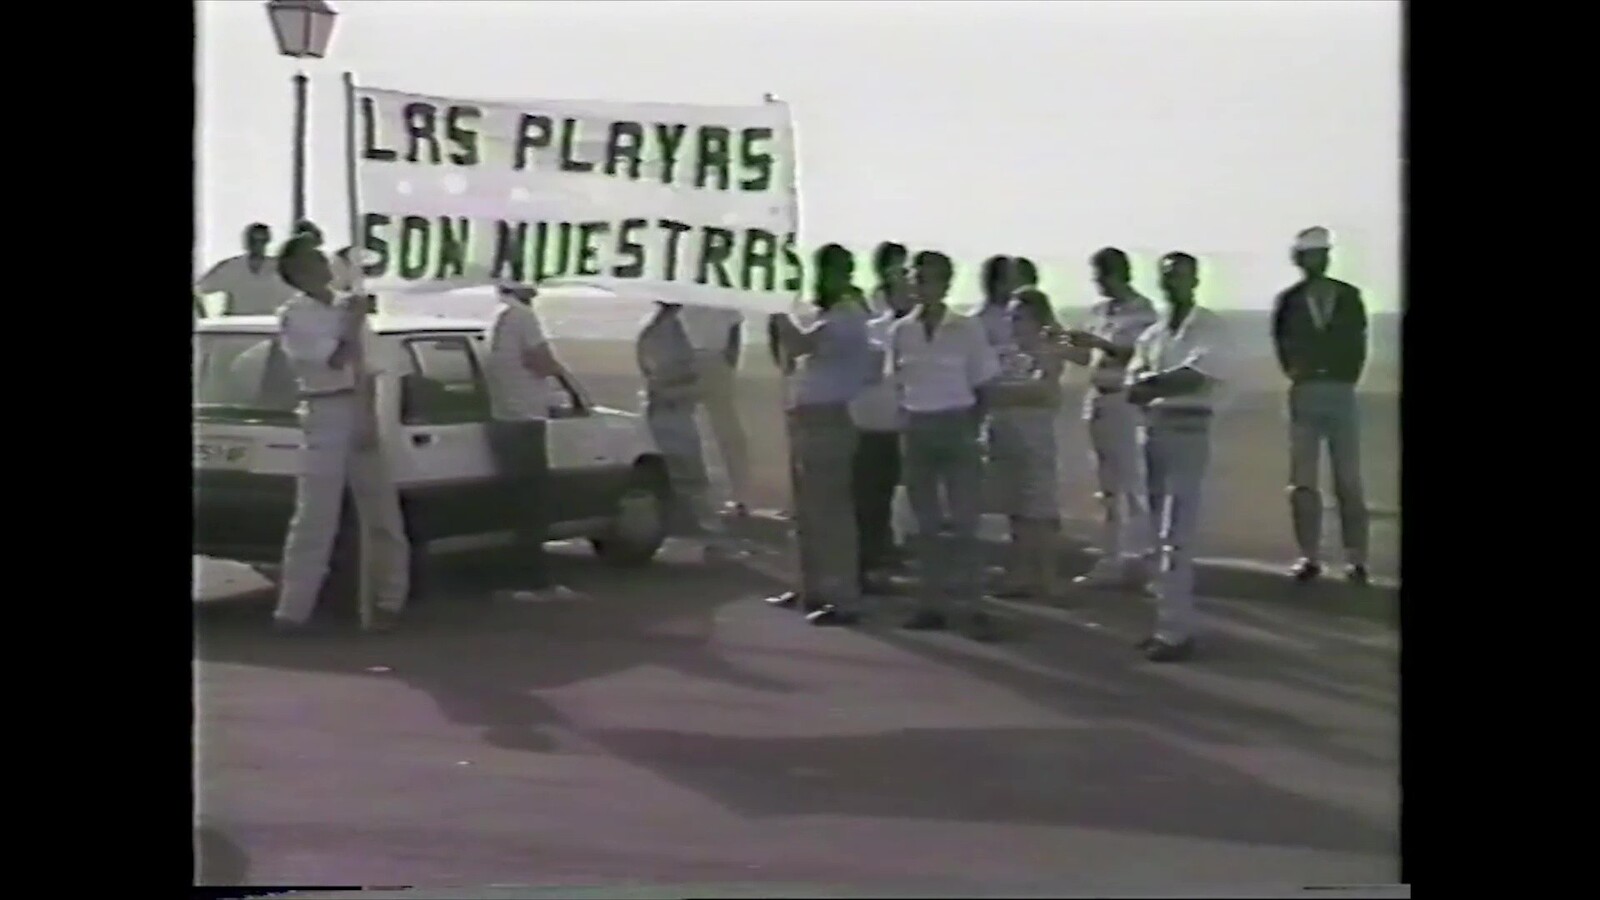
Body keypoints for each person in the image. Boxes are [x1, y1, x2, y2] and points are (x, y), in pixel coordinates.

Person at [272, 234, 409, 633]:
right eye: (313, 260)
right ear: (297, 271)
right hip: (325, 407)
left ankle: (389, 600)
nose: (323, 265)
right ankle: (293, 610)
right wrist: (351, 324)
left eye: (322, 257)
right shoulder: (295, 315)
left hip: (364, 404)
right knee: (316, 513)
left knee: (382, 511)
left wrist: (368, 415)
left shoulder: (349, 304)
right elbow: (332, 360)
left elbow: (372, 365)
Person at [890, 250, 1003, 639]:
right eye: (915, 278)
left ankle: (972, 605)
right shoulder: (901, 331)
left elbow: (986, 383)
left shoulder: (966, 328)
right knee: (925, 522)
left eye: (928, 278)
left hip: (956, 421)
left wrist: (972, 426)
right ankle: (930, 603)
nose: (920, 286)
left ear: (945, 282)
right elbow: (896, 381)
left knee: (966, 522)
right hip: (917, 425)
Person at [1125, 252, 1231, 662]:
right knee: (1154, 530)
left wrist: (1154, 383)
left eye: (1181, 276)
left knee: (1176, 533)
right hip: (1153, 429)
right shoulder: (1153, 334)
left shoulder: (1209, 327)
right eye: (1168, 276)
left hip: (1189, 429)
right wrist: (1154, 385)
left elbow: (1198, 376)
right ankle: (1166, 623)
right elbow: (1133, 382)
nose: (1174, 283)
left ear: (1195, 279)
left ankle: (1176, 631)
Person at [765, 245, 875, 626]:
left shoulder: (846, 315)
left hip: (830, 417)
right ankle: (809, 586)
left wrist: (777, 310)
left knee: (831, 512)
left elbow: (799, 344)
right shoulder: (831, 314)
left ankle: (843, 595)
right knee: (806, 510)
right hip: (809, 415)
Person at [1272, 227, 1371, 586]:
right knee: (1303, 481)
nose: (1319, 260)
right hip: (1306, 389)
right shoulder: (1289, 301)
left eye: (1323, 254)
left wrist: (1345, 376)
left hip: (1340, 390)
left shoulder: (1349, 296)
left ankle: (1356, 557)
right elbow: (1281, 342)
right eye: (1312, 255)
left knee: (1348, 479)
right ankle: (1309, 555)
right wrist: (1299, 372)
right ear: (1300, 260)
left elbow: (1359, 340)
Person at [1062, 247, 1160, 589]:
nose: (1099, 283)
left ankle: (1147, 559)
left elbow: (1138, 354)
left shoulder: (1142, 312)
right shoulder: (1099, 311)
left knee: (1133, 483)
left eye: (1103, 276)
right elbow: (1084, 355)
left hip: (1124, 400)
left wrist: (1100, 343)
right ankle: (1113, 555)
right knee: (1107, 486)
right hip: (1098, 398)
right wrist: (1062, 343)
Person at [484, 282, 575, 600]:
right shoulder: (522, 316)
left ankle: (519, 578)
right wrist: (557, 370)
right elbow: (541, 360)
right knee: (532, 506)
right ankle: (533, 582)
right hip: (524, 420)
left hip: (503, 417)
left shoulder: (498, 317)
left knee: (517, 504)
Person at [988, 287, 1069, 600]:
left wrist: (1001, 395)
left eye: (1019, 317)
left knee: (1040, 510)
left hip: (1034, 440)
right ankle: (1021, 575)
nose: (1013, 323)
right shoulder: (1006, 354)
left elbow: (1045, 392)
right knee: (1016, 511)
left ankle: (1048, 578)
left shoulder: (1047, 351)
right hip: (1006, 438)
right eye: (1011, 317)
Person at [636, 301, 733, 561]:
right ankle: (709, 534)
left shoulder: (656, 330)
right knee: (689, 475)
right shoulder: (665, 333)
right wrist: (690, 388)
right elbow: (665, 376)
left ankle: (693, 531)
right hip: (672, 410)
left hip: (668, 408)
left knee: (681, 474)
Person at [850, 242, 916, 586]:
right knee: (870, 497)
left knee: (900, 497)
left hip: (911, 423)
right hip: (874, 424)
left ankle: (890, 555)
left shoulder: (926, 330)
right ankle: (867, 564)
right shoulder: (873, 331)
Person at [677, 303, 754, 517]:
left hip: (701, 359)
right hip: (699, 359)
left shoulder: (705, 297)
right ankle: (736, 495)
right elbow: (735, 331)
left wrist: (729, 363)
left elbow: (734, 331)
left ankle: (739, 496)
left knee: (724, 431)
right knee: (722, 430)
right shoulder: (717, 298)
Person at [194, 223, 294, 317]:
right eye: (253, 240)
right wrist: (204, 319)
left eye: (261, 240)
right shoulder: (231, 266)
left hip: (267, 326)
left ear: (267, 241)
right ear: (246, 241)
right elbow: (198, 289)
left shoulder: (280, 268)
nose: (257, 244)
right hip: (237, 326)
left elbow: (296, 296)